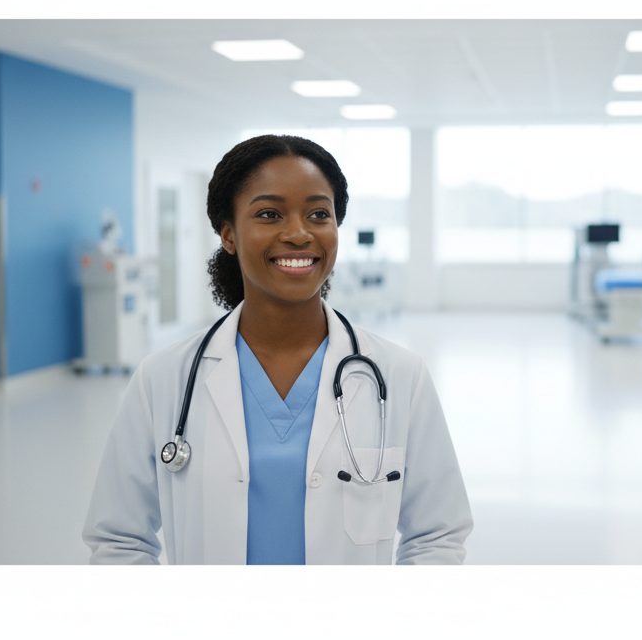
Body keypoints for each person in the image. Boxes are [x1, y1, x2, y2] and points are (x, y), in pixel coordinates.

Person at [83, 134, 473, 564]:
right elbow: (119, 539)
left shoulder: (400, 376)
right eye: (269, 214)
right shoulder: (163, 379)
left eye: (318, 214)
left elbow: (437, 534)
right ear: (228, 234)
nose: (298, 233)